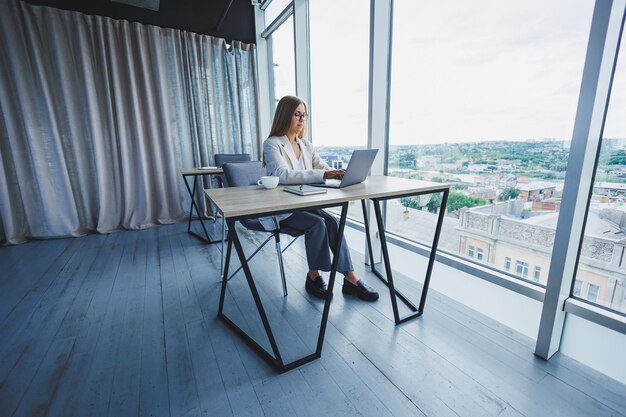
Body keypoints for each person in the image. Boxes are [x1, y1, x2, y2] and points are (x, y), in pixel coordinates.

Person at [263, 95, 378, 301]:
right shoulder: (272, 144)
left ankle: (350, 278)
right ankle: (313, 275)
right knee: (317, 224)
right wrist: (323, 175)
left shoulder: (305, 144)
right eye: (297, 114)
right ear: (285, 115)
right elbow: (282, 174)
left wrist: (338, 173)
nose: (301, 119)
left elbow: (320, 167)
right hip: (283, 207)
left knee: (332, 222)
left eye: (304, 115)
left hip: (305, 201)